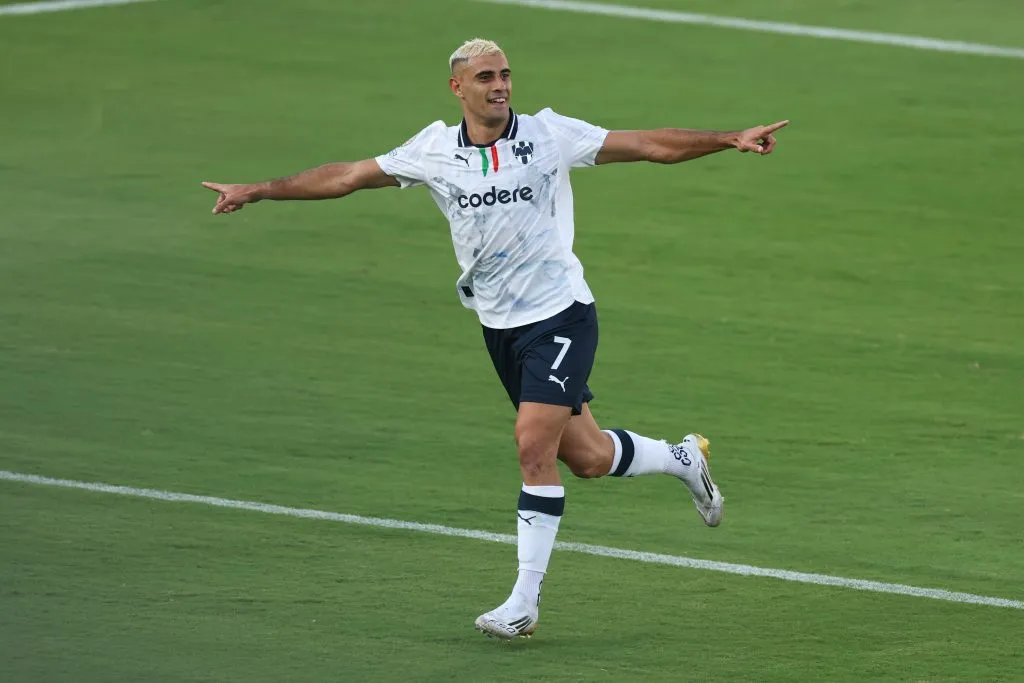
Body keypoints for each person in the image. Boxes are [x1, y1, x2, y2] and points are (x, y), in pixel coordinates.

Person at [202, 37, 788, 640]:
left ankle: (523, 604)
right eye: (485, 76)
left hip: (562, 316)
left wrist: (727, 139)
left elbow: (646, 145)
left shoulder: (548, 134)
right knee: (585, 458)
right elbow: (347, 176)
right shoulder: (433, 150)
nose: (500, 85)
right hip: (501, 329)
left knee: (532, 445)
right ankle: (681, 457)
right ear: (458, 88)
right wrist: (258, 188)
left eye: (505, 74)